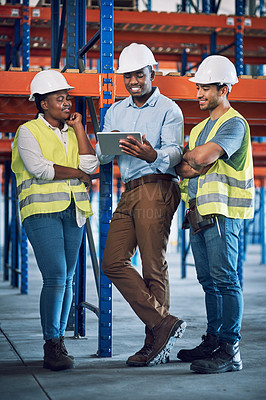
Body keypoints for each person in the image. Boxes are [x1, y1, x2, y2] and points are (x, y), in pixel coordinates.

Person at [95, 43, 186, 367]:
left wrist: (154, 155)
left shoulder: (169, 109)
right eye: (127, 76)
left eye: (138, 74)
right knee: (112, 261)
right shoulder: (116, 111)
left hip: (157, 186)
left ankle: (154, 344)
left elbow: (175, 151)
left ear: (152, 72)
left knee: (152, 265)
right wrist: (108, 142)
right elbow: (103, 155)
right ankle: (163, 323)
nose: (133, 80)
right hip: (129, 190)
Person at [11, 70, 99, 371]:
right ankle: (52, 345)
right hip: (41, 212)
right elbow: (40, 169)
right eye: (59, 98)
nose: (66, 102)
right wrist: (77, 173)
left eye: (67, 97)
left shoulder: (72, 131)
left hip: (73, 211)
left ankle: (59, 339)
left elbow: (91, 164)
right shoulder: (28, 132)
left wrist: (79, 130)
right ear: (42, 103)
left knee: (69, 278)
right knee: (56, 275)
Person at [175, 55, 254, 374]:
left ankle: (230, 349)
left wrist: (195, 159)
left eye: (205, 89)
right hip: (198, 214)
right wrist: (192, 161)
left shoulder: (234, 123)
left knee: (225, 280)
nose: (198, 94)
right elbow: (184, 165)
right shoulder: (199, 128)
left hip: (222, 213)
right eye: (198, 88)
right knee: (208, 280)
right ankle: (213, 340)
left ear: (224, 89)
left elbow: (201, 156)